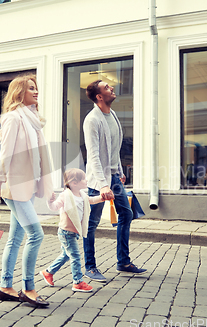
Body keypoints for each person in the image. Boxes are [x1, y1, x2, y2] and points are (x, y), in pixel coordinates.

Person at [0, 75, 53, 308]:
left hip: (27, 187)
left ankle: (6, 287)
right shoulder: (13, 119)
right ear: (19, 92)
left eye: (37, 88)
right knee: (36, 235)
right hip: (14, 187)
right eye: (31, 88)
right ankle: (29, 288)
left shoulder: (33, 120)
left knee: (15, 238)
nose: (36, 92)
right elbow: (6, 155)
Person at [82, 80, 147, 283]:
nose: (112, 88)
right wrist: (103, 185)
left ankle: (123, 262)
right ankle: (90, 267)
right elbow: (93, 156)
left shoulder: (113, 115)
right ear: (99, 96)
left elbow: (113, 148)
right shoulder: (92, 120)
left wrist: (118, 171)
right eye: (107, 87)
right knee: (91, 224)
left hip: (113, 176)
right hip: (97, 180)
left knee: (126, 214)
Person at [40, 168, 107, 292]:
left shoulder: (82, 194)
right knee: (75, 256)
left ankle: (48, 272)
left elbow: (91, 200)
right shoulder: (65, 195)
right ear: (74, 183)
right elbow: (54, 207)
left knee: (66, 255)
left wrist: (102, 198)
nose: (86, 180)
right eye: (83, 179)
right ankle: (77, 282)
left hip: (74, 232)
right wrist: (49, 201)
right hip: (66, 232)